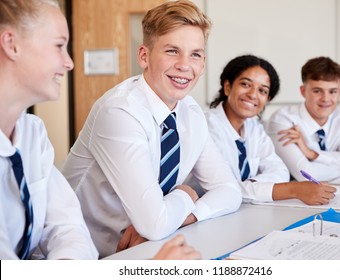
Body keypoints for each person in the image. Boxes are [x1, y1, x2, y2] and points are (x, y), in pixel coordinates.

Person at [61, 0, 242, 258]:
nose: (184, 65)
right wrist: (186, 192)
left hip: (148, 248)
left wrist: (189, 213)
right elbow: (154, 224)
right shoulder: (120, 111)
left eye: (195, 54)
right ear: (144, 56)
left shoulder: (190, 113)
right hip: (87, 255)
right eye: (172, 51)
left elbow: (230, 191)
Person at [0, 0, 98, 259]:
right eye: (59, 46)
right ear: (11, 44)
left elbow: (69, 228)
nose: (69, 63)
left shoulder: (32, 133)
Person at [205, 54, 336, 205]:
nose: (253, 94)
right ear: (228, 87)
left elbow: (280, 171)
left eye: (262, 91)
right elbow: (224, 190)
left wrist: (251, 186)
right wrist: (293, 190)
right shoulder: (207, 127)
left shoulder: (255, 128)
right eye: (246, 84)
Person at [267, 56, 340, 182]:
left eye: (332, 91)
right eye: (317, 91)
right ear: (303, 91)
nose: (326, 99)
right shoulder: (283, 120)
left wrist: (313, 154)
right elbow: (306, 175)